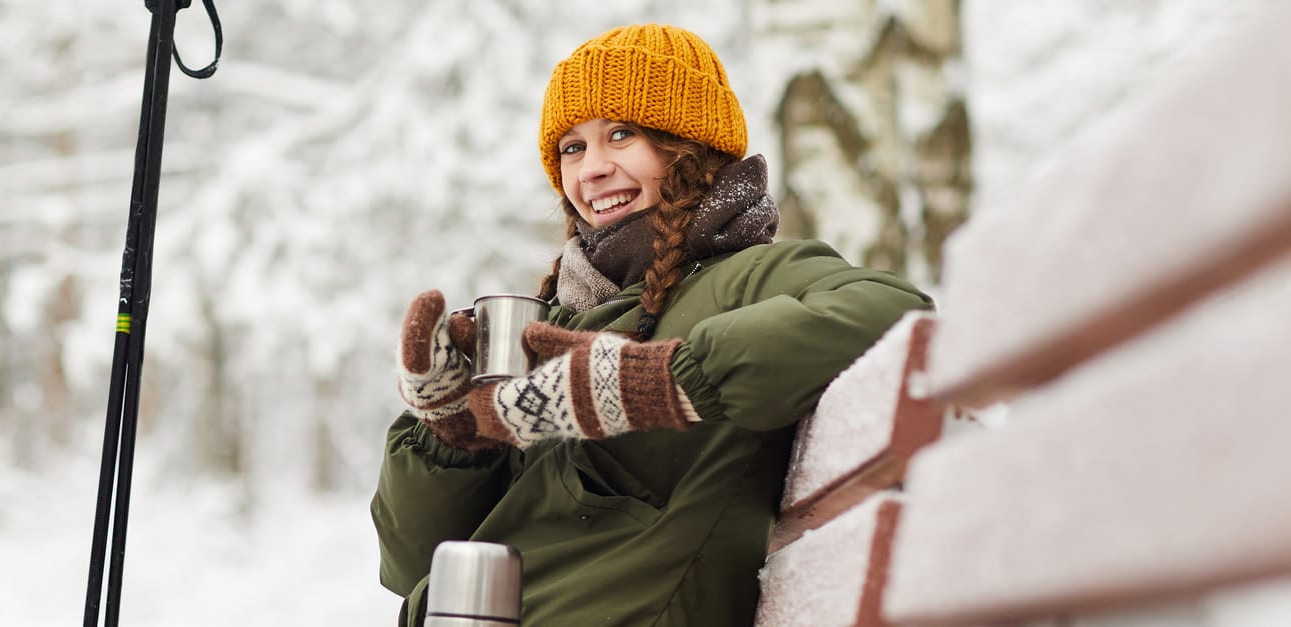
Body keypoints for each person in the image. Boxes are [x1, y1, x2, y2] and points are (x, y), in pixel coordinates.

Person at [371, 23, 933, 626]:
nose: (591, 169)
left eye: (621, 135)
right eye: (573, 148)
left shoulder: (751, 277)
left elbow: (896, 308)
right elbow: (411, 564)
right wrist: (448, 429)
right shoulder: (558, 319)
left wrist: (660, 381)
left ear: (688, 148)